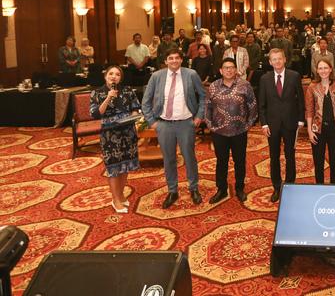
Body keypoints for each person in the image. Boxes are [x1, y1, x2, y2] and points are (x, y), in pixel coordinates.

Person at [142, 47, 206, 209]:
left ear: (181, 60)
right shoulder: (157, 76)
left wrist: (199, 116)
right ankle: (172, 190)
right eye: (170, 58)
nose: (174, 61)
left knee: (189, 157)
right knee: (169, 158)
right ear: (165, 61)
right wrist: (152, 122)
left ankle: (194, 188)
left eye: (177, 58)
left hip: (186, 123)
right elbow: (146, 101)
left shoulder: (191, 74)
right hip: (164, 124)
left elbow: (203, 96)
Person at [89, 65, 141, 213]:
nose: (114, 76)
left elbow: (135, 108)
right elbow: (95, 114)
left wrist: (134, 116)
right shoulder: (97, 93)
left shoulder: (128, 90)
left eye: (117, 74)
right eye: (111, 74)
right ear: (105, 76)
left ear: (120, 78)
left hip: (128, 132)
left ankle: (121, 194)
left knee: (125, 165)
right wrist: (108, 98)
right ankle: (115, 199)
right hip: (109, 135)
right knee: (113, 167)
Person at [205, 57, 258, 204]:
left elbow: (253, 105)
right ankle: (221, 189)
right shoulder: (213, 86)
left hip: (239, 132)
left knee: (239, 161)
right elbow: (207, 106)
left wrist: (248, 125)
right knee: (221, 161)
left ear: (236, 70)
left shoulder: (245, 85)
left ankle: (240, 188)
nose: (229, 70)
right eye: (226, 68)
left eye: (231, 67)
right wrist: (210, 125)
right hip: (219, 132)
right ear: (221, 70)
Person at [258, 48, 305, 202]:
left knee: (290, 155)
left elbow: (300, 100)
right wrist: (264, 124)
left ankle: (290, 185)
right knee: (274, 157)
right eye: (274, 59)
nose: (277, 61)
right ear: (270, 62)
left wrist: (301, 119)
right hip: (272, 125)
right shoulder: (264, 79)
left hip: (291, 122)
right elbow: (261, 104)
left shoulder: (294, 76)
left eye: (280, 58)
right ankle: (277, 187)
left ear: (285, 59)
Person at [305, 58, 335, 184]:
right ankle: (320, 188)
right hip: (317, 129)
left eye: (325, 68)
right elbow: (309, 110)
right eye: (320, 68)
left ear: (330, 69)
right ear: (317, 71)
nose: (323, 71)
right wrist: (309, 131)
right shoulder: (312, 87)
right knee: (318, 162)